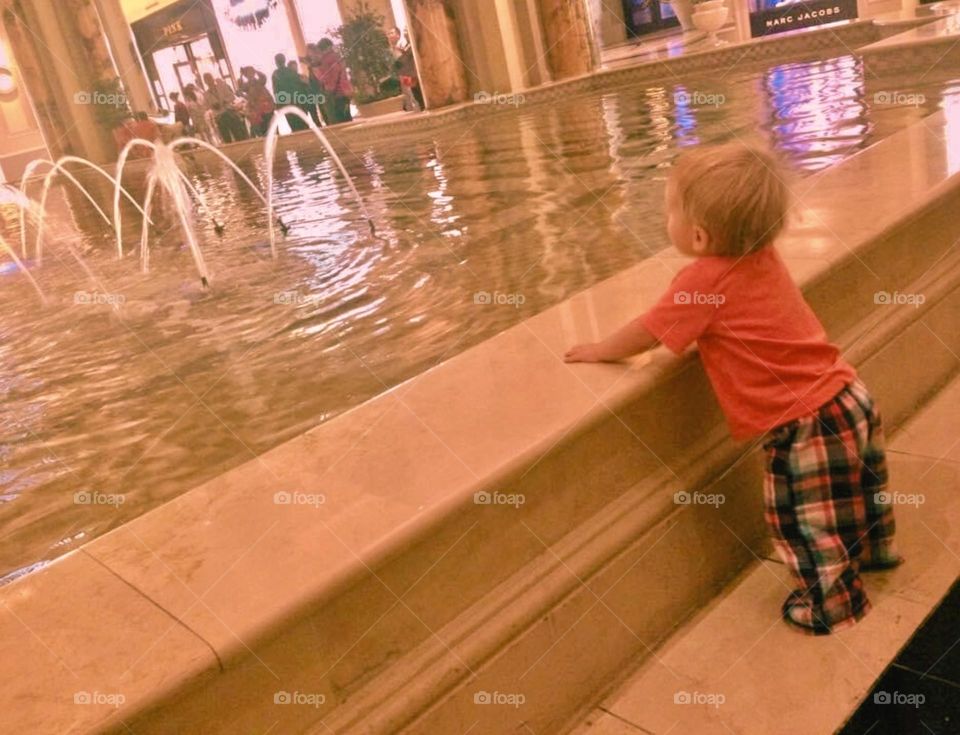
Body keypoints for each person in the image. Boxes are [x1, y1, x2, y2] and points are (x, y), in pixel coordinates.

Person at [564, 143, 902, 635]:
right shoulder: (762, 256)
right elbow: (746, 323)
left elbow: (649, 331)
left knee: (804, 519)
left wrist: (599, 349)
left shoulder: (702, 278)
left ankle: (832, 604)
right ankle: (875, 551)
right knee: (860, 491)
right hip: (848, 397)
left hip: (804, 424)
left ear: (698, 235)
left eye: (669, 209)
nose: (666, 217)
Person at [310, 38, 353, 124]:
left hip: (334, 93)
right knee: (347, 118)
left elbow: (324, 78)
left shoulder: (326, 60)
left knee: (338, 121)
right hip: (344, 90)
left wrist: (315, 69)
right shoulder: (338, 56)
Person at [202, 72, 248, 144]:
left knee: (237, 134)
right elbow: (207, 106)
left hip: (229, 112)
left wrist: (224, 101)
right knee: (226, 137)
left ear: (212, 78)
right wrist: (213, 105)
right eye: (206, 80)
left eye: (209, 78)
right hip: (219, 116)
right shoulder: (206, 94)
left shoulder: (222, 86)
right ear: (205, 82)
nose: (209, 81)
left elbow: (232, 96)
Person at [272, 53, 309, 131]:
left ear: (276, 62)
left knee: (294, 125)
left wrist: (279, 105)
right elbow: (302, 85)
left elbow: (276, 91)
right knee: (303, 124)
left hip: (286, 103)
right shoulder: (292, 72)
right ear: (284, 60)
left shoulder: (275, 74)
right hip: (298, 101)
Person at [243, 68, 276, 137]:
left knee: (272, 126)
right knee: (264, 129)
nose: (250, 75)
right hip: (258, 110)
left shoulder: (259, 81)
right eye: (248, 73)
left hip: (267, 107)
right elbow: (241, 88)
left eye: (251, 72)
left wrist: (256, 71)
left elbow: (263, 77)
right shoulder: (247, 85)